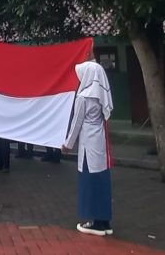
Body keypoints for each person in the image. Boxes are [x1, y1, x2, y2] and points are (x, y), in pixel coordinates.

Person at [63, 58, 114, 237]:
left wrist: (68, 144)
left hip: (87, 145)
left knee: (89, 181)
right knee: (102, 180)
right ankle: (104, 221)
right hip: (99, 141)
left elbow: (76, 124)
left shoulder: (83, 97)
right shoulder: (101, 94)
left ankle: (94, 222)